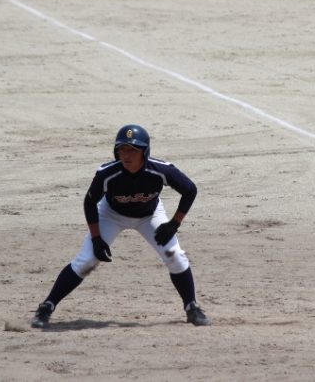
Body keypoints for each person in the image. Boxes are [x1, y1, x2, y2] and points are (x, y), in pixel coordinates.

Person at [31, 124, 212, 328]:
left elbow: (190, 190)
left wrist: (173, 224)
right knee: (87, 260)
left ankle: (192, 307)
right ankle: (46, 307)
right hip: (111, 214)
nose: (126, 155)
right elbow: (90, 202)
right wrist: (96, 238)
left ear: (145, 151)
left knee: (175, 255)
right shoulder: (107, 173)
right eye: (122, 149)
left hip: (150, 215)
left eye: (133, 150)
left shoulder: (161, 170)